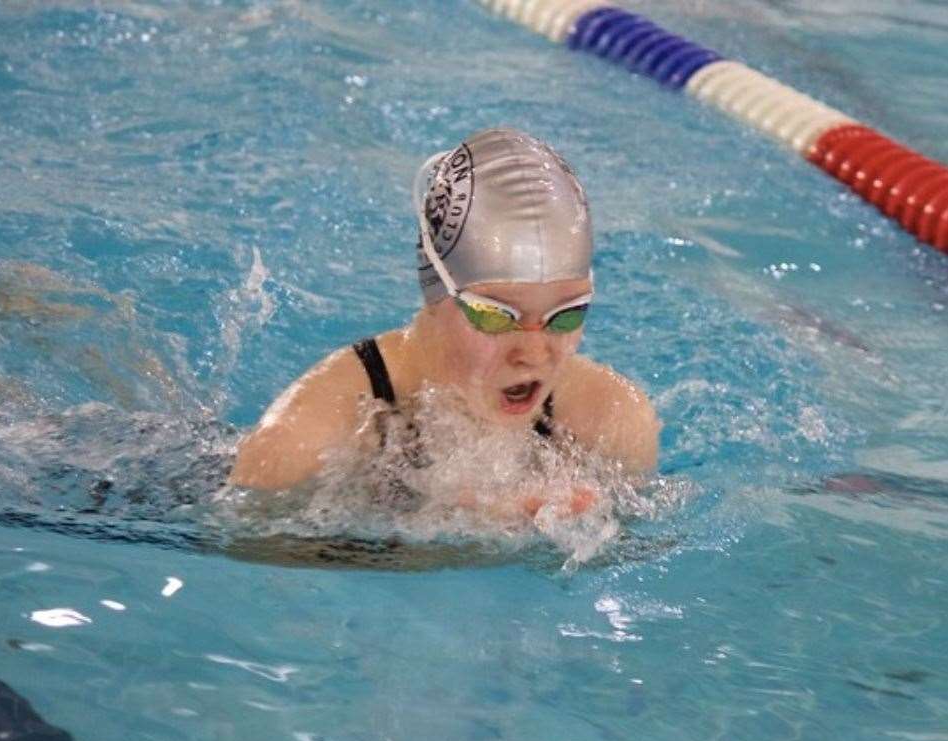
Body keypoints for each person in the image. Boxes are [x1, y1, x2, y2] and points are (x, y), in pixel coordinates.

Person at [229, 127, 660, 516]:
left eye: (565, 315)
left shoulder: (610, 423)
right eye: (496, 315)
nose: (533, 353)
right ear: (436, 291)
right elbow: (245, 558)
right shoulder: (305, 436)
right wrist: (464, 535)